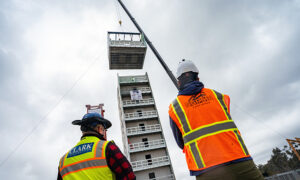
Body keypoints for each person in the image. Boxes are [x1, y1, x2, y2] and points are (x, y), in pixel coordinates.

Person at [168, 59, 264, 180]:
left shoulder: (175, 108)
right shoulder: (218, 96)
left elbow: (181, 143)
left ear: (179, 83)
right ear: (197, 79)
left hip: (206, 171)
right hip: (241, 162)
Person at [57, 112, 136, 180]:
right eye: (104, 130)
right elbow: (130, 176)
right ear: (100, 129)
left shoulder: (63, 161)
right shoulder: (107, 148)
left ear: (83, 131)